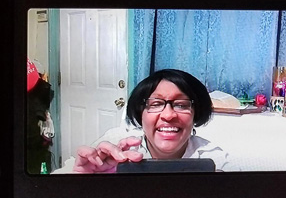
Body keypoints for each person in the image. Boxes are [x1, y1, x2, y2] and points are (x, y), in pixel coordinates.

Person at [53, 69, 240, 173]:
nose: (168, 115)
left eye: (181, 105)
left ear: (195, 114)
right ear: (140, 113)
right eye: (156, 103)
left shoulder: (215, 160)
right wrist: (81, 180)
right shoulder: (114, 145)